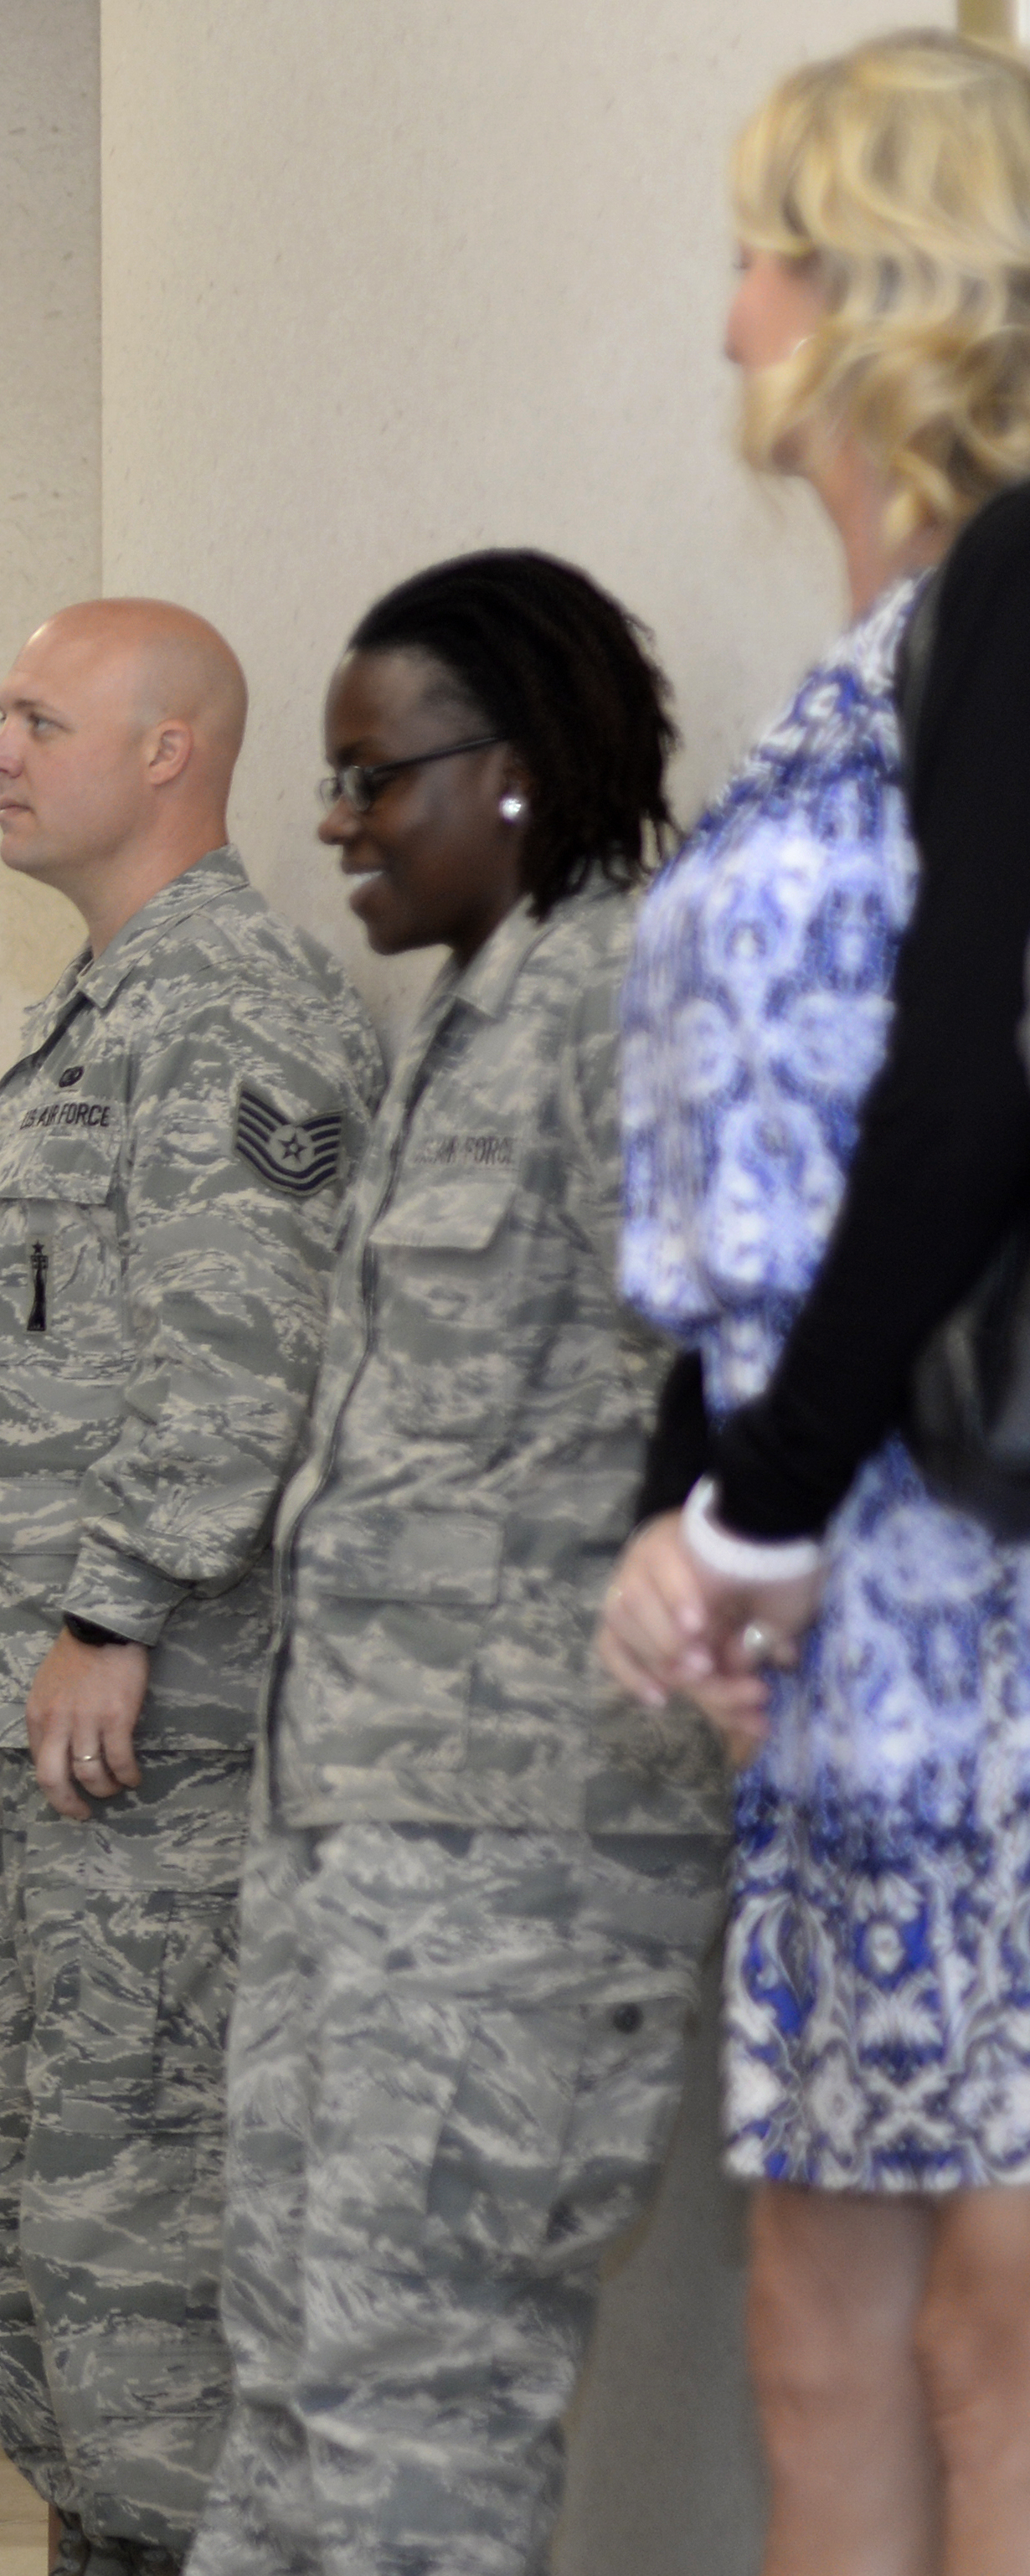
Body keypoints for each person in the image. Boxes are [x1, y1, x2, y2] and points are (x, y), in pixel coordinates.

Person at [595, 31, 1030, 2568]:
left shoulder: (1022, 580)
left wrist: (750, 1511)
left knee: (994, 2329)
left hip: (968, 1572)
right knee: (812, 2308)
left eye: (762, 247)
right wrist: (697, 1503)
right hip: (827, 1609)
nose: (728, 309)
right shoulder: (843, 670)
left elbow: (972, 1091)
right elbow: (754, 1161)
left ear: (872, 278)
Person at [192, 553, 716, 2576]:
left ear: (512, 769)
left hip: (527, 1842)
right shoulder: (450, 1026)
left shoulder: (641, 999)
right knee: (288, 2363)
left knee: (419, 2388)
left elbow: (756, 1347)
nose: (333, 823)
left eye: (367, 776)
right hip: (343, 1821)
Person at [0, 599, 382, 2576]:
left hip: (159, 1750)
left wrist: (109, 1611)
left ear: (169, 748)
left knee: (147, 2286)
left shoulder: (236, 1008)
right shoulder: (93, 1014)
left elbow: (241, 1361)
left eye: (37, 713)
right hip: (47, 1746)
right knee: (35, 2263)